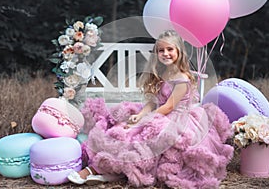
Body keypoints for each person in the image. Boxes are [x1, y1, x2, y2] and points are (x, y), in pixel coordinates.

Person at [67, 30, 234, 188]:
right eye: (161, 50)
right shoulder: (162, 75)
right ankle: (110, 168)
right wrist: (140, 115)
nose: (165, 53)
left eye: (170, 49)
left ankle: (102, 169)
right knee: (124, 127)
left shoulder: (182, 79)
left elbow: (168, 106)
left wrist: (144, 121)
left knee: (139, 136)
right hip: (160, 114)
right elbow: (153, 103)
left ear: (179, 52)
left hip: (177, 120)